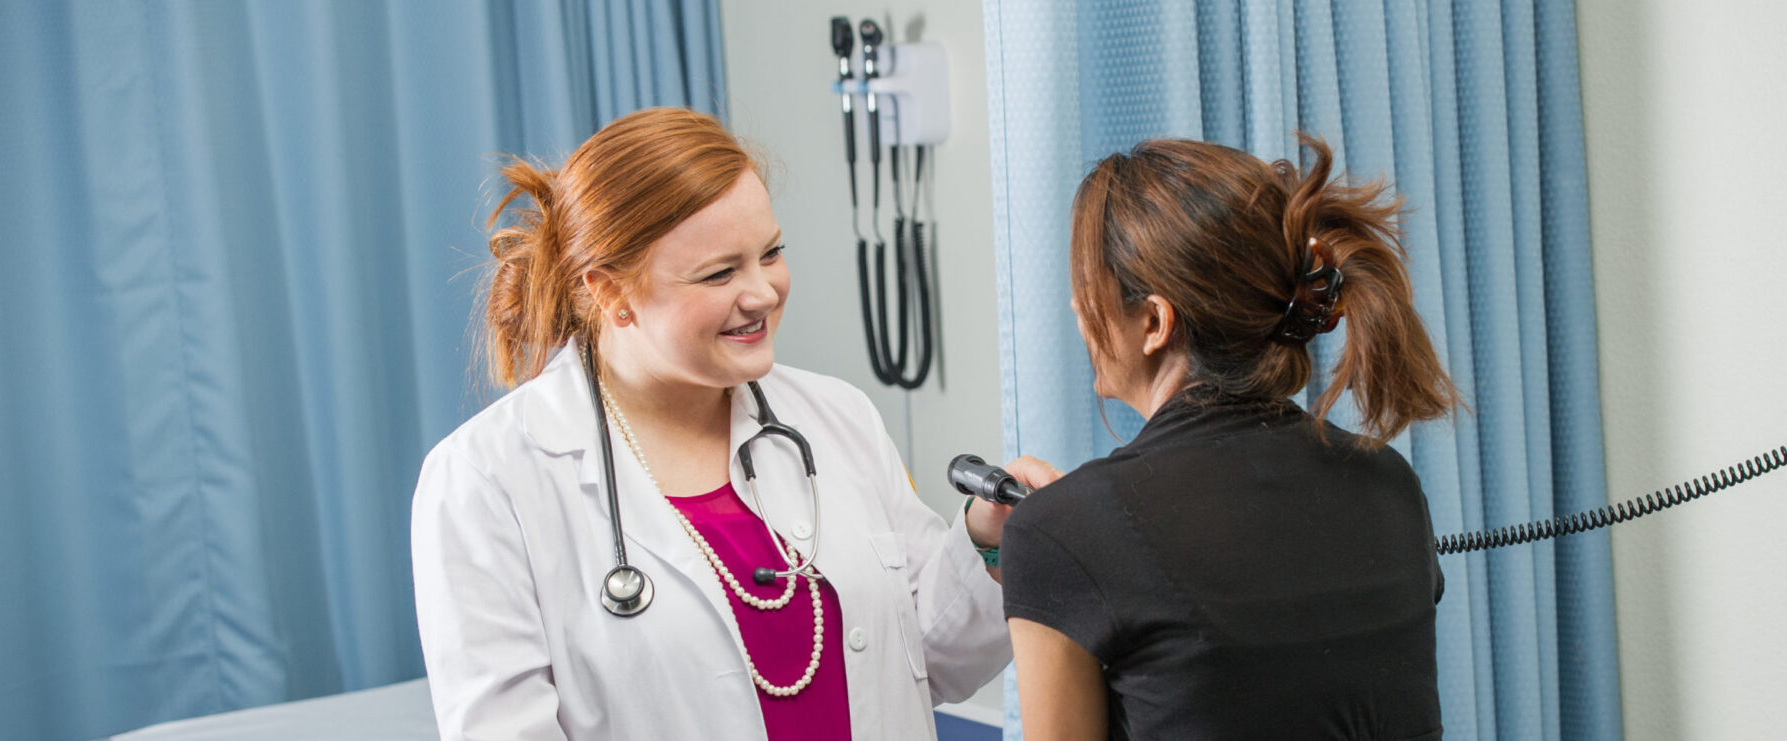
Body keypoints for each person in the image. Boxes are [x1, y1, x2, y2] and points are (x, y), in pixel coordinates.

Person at [409, 107, 1011, 741]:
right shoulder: (487, 480)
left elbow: (926, 660)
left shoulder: (838, 417)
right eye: (720, 273)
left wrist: (987, 544)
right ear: (610, 292)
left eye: (770, 253)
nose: (763, 292)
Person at [996, 135, 1458, 740]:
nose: (1080, 308)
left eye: (1091, 288)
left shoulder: (1061, 531)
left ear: (1155, 323)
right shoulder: (1391, 484)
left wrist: (1046, 539)